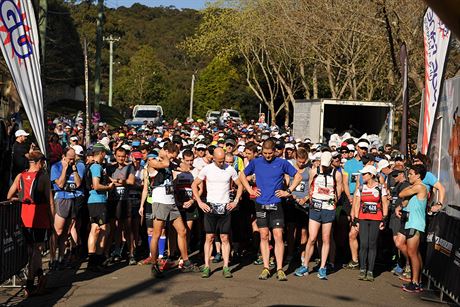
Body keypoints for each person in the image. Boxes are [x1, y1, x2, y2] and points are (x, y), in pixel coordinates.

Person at [239, 139, 302, 281]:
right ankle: (266, 267)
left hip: (276, 203)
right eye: (265, 153)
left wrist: (288, 191)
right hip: (260, 203)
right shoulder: (256, 162)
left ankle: (279, 269)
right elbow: (242, 175)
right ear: (261, 151)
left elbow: (297, 176)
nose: (267, 156)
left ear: (275, 151)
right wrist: (249, 189)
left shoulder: (282, 163)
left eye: (270, 153)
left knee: (278, 235)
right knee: (264, 235)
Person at [149, 142, 198, 278]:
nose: (172, 159)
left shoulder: (171, 162)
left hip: (171, 201)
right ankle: (154, 264)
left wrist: (175, 159)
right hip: (160, 201)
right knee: (157, 233)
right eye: (172, 156)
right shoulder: (152, 160)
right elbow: (164, 164)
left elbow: (186, 168)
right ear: (164, 151)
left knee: (182, 231)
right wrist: (165, 156)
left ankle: (186, 261)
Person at [7, 151, 53, 296]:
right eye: (43, 162)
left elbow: (9, 196)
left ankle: (39, 278)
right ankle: (30, 283)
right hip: (39, 217)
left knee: (32, 250)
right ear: (39, 162)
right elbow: (50, 201)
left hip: (24, 218)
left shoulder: (20, 176)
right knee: (36, 250)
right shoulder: (44, 177)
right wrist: (52, 220)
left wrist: (18, 199)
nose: (44, 164)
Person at [192, 148, 243, 278]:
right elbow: (194, 184)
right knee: (209, 237)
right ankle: (207, 266)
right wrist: (199, 202)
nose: (222, 164)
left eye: (223, 161)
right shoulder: (207, 169)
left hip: (225, 207)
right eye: (219, 161)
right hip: (210, 207)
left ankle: (226, 266)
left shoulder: (230, 169)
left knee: (225, 237)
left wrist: (236, 201)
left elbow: (240, 185)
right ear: (213, 158)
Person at [295, 151, 343, 280]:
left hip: (328, 208)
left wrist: (333, 201)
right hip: (315, 208)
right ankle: (305, 265)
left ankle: (322, 267)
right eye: (323, 165)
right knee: (312, 238)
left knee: (326, 238)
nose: (325, 167)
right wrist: (311, 198)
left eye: (327, 165)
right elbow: (310, 185)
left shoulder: (337, 174)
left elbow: (340, 189)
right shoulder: (314, 170)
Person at [50, 148, 85, 270]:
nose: (72, 160)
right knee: (57, 231)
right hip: (61, 198)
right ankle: (53, 258)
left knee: (66, 231)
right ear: (63, 156)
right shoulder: (56, 167)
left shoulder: (77, 166)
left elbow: (78, 184)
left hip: (73, 199)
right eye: (70, 158)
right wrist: (65, 168)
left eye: (73, 158)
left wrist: (74, 169)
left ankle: (61, 258)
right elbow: (59, 184)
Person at [353, 165, 389, 282]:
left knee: (372, 244)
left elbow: (384, 203)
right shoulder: (361, 188)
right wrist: (356, 220)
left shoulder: (380, 188)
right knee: (363, 244)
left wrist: (384, 219)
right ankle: (362, 269)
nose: (362, 176)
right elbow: (357, 204)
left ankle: (370, 271)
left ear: (372, 175)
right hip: (363, 218)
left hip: (376, 219)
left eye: (364, 174)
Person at [395, 164, 428, 293]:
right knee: (400, 243)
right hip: (408, 221)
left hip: (415, 223)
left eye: (411, 173)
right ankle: (417, 276)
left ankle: (416, 282)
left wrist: (407, 190)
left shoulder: (419, 187)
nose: (409, 175)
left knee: (413, 252)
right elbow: (404, 202)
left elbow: (401, 193)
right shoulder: (414, 187)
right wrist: (400, 207)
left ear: (418, 175)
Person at [87, 143, 115, 272]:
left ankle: (95, 259)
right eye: (105, 153)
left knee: (99, 228)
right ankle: (96, 259)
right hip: (97, 201)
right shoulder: (96, 167)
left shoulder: (98, 167)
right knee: (101, 229)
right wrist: (109, 188)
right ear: (102, 153)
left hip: (97, 201)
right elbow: (96, 186)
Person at [106, 147, 136, 264]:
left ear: (126, 156)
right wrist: (121, 181)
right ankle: (116, 251)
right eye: (118, 156)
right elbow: (108, 181)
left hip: (125, 200)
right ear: (115, 155)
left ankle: (132, 253)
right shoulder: (110, 167)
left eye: (123, 156)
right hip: (113, 200)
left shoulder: (130, 167)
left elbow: (131, 181)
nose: (121, 158)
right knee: (114, 228)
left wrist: (116, 181)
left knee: (127, 228)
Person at [342, 140, 368, 269]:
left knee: (359, 231)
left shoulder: (368, 163)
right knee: (350, 229)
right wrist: (349, 197)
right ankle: (353, 258)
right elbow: (345, 182)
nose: (364, 150)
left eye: (366, 149)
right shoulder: (349, 164)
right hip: (350, 198)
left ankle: (362, 259)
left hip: (364, 200)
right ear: (357, 147)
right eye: (362, 148)